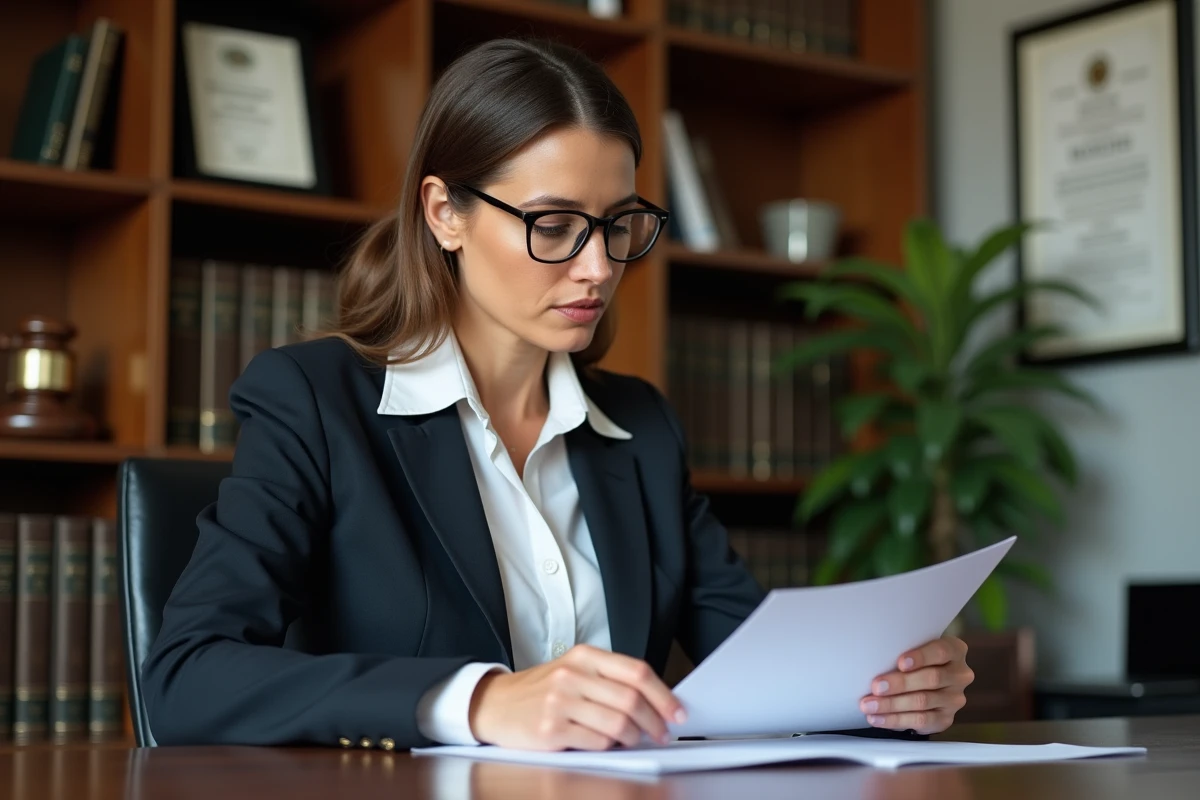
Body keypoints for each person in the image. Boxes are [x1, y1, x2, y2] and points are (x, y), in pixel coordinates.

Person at [141, 37, 974, 752]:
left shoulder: (640, 428)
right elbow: (187, 676)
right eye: (553, 224)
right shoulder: (315, 403)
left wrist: (886, 695)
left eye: (618, 224)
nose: (598, 267)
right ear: (444, 214)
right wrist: (481, 700)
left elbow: (759, 672)